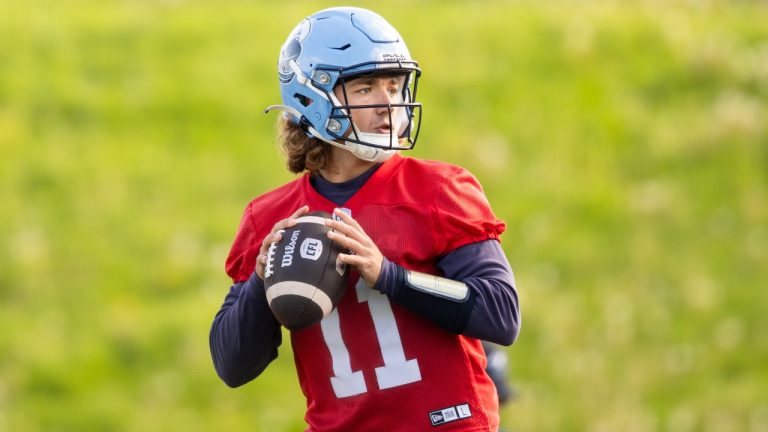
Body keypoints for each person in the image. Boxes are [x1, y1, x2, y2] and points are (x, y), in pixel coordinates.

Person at [209, 7, 521, 431]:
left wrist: (390, 276)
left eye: (394, 85)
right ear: (313, 98)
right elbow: (232, 365)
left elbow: (501, 313)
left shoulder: (438, 190)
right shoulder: (271, 219)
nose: (389, 104)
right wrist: (261, 283)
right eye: (365, 88)